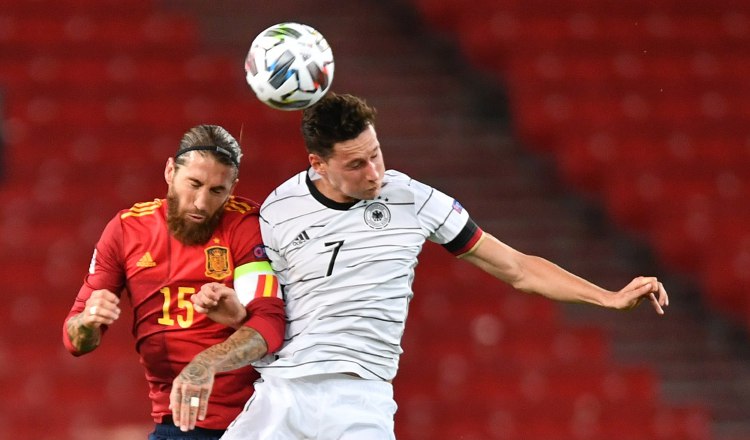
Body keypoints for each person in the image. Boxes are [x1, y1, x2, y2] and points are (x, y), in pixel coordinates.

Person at [170, 93, 669, 439]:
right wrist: (230, 318)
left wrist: (607, 296)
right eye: (357, 165)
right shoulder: (277, 211)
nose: (376, 173)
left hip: (361, 398)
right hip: (285, 390)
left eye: (377, 154)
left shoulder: (415, 200)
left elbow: (516, 267)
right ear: (317, 164)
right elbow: (262, 311)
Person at [62, 124, 285, 440]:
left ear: (232, 188)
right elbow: (76, 342)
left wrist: (207, 362)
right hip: (179, 423)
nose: (201, 203)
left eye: (217, 191)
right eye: (193, 184)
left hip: (256, 419)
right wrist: (87, 321)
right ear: (170, 171)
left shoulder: (244, 225)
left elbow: (270, 323)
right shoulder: (127, 231)